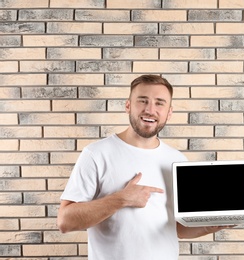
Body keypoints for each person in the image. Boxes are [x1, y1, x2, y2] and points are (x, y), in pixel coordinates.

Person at [57, 75, 229, 259]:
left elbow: (177, 229)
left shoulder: (177, 159)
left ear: (169, 113)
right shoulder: (97, 154)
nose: (150, 110)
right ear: (128, 105)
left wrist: (208, 227)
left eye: (159, 103)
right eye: (143, 101)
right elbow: (65, 221)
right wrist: (120, 199)